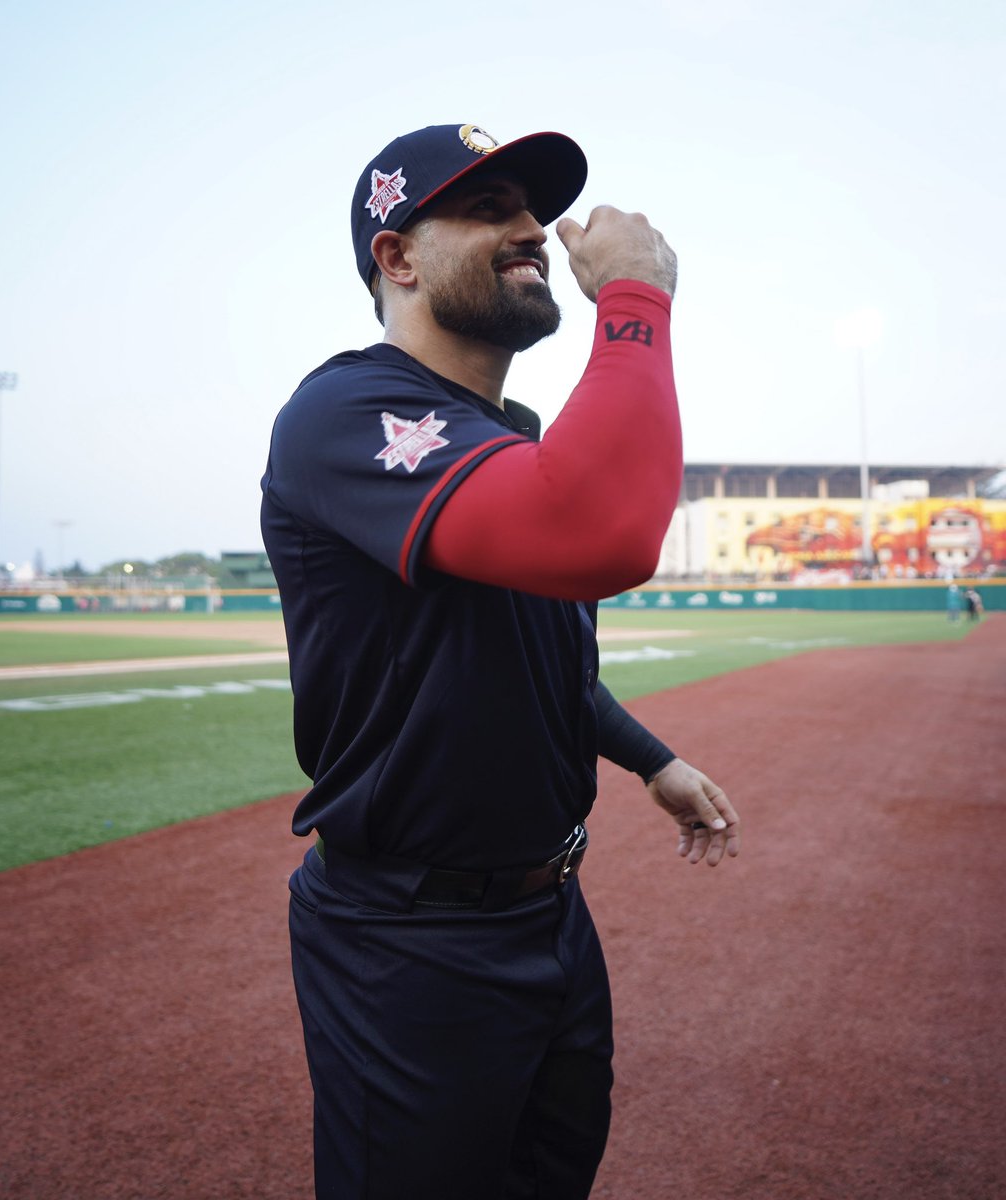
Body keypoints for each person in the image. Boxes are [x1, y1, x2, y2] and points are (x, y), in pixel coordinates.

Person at [260, 123, 741, 1200]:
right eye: (486, 210)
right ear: (397, 258)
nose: (530, 229)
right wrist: (634, 303)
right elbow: (602, 536)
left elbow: (537, 653)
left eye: (531, 207)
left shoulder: (505, 437)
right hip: (409, 940)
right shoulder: (347, 412)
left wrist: (650, 758)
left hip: (548, 911)